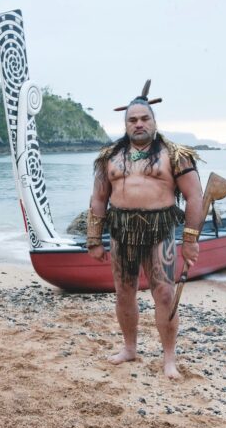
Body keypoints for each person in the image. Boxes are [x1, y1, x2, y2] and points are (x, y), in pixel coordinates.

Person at [86, 81, 203, 379]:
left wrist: (190, 241)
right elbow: (98, 199)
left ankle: (169, 358)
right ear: (125, 124)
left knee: (164, 293)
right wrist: (93, 239)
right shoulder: (109, 157)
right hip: (122, 230)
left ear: (154, 120)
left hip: (159, 231)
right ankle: (130, 348)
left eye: (144, 118)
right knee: (124, 293)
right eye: (132, 120)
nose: (139, 124)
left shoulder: (175, 155)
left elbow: (194, 197)